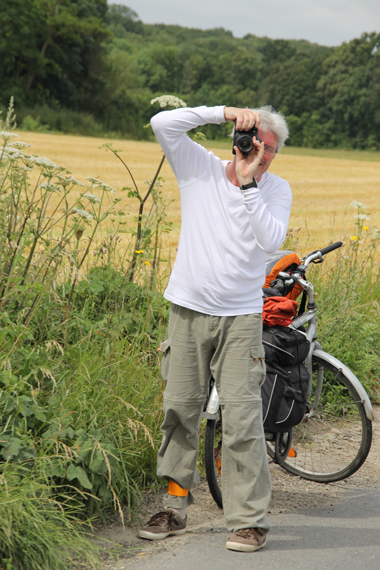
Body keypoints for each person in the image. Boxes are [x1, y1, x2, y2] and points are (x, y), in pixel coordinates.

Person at [138, 104, 292, 552]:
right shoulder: (198, 168)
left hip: (241, 318)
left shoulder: (274, 189)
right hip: (187, 308)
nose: (261, 155)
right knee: (180, 409)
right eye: (255, 143)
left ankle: (248, 521)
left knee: (243, 419)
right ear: (238, 138)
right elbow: (162, 123)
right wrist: (226, 113)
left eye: (270, 151)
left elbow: (271, 241)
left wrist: (248, 185)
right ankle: (174, 508)